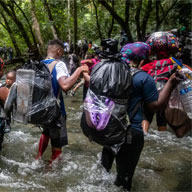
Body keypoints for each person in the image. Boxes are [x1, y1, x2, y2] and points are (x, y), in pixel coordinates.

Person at [82, 42, 180, 191]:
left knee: (102, 174)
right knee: (124, 182)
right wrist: (171, 82)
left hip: (108, 127)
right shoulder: (143, 78)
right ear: (143, 59)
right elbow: (155, 106)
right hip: (130, 132)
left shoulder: (107, 71)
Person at [36, 39, 89, 163]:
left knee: (46, 132)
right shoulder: (59, 64)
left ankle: (37, 158)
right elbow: (65, 86)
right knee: (57, 148)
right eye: (63, 51)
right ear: (59, 51)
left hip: (42, 110)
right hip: (56, 111)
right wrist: (79, 70)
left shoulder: (41, 64)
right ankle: (50, 173)